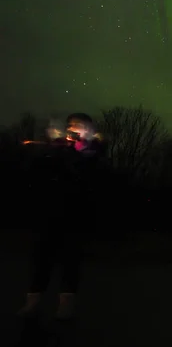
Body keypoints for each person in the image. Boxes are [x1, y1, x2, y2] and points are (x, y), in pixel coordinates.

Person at [17, 113, 105, 320]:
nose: (74, 128)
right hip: (48, 213)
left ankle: (65, 306)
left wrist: (80, 151)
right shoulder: (55, 149)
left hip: (76, 215)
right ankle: (32, 303)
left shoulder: (92, 151)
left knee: (70, 260)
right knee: (40, 258)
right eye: (72, 125)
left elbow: (91, 176)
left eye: (81, 126)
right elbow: (35, 171)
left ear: (89, 129)